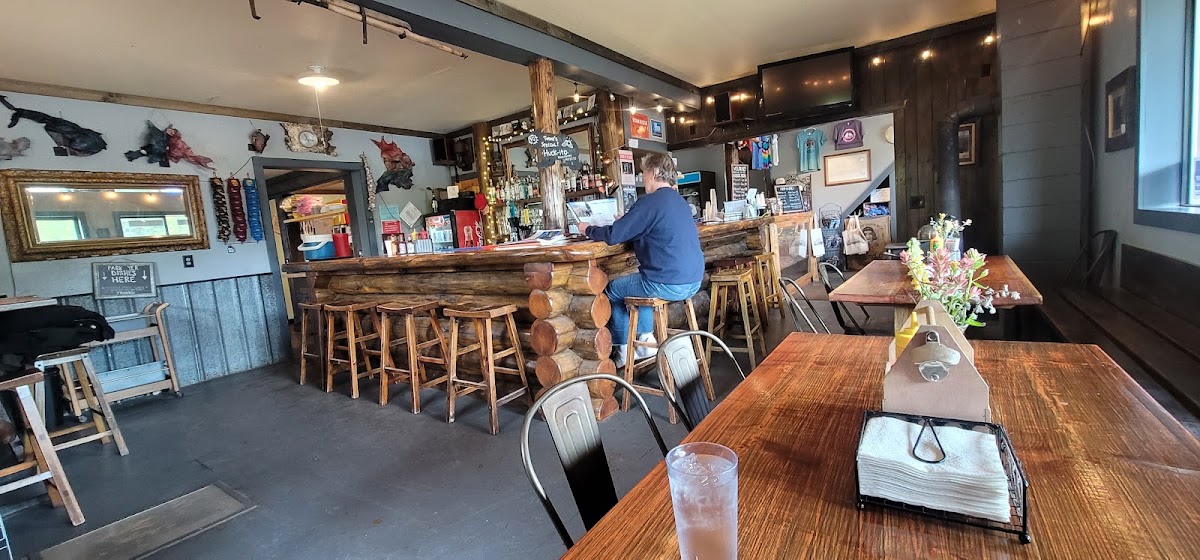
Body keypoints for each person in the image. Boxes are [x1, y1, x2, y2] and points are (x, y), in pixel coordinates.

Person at [579, 153, 704, 367]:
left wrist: (587, 229)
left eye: (644, 173)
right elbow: (650, 227)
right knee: (639, 287)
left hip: (666, 282)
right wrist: (627, 222)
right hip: (693, 280)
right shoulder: (679, 201)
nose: (642, 178)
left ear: (654, 173)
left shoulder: (649, 202)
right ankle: (645, 338)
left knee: (612, 291)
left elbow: (613, 236)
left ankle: (625, 349)